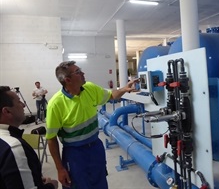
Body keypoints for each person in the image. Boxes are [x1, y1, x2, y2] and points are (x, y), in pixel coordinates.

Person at [45, 61, 139, 189]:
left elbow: (111, 95)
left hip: (95, 147)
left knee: (100, 182)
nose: (83, 73)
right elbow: (51, 139)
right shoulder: (55, 104)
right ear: (68, 80)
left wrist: (124, 89)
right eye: (78, 72)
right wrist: (60, 168)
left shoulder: (89, 88)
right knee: (78, 185)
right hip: (74, 153)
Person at [0, 86, 58, 189]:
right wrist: (50, 186)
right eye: (18, 102)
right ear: (7, 111)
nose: (23, 105)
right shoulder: (14, 148)